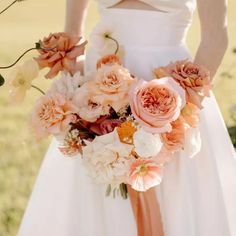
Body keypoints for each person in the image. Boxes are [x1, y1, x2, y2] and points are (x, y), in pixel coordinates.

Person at [18, 0, 236, 235]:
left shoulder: (176, 100)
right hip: (100, 86)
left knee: (175, 194)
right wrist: (84, 111)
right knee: (98, 189)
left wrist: (174, 106)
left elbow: (215, 37)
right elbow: (72, 36)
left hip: (173, 89)